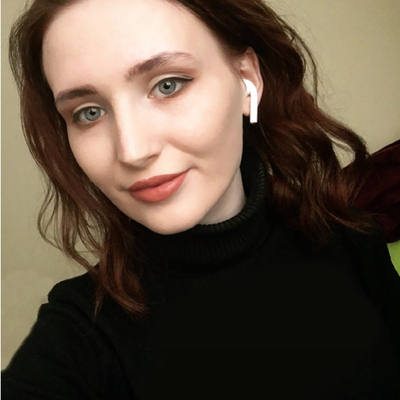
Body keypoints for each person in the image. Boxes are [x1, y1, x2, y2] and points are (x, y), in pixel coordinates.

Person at [3, 0, 400, 398]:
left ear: (246, 81)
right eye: (89, 112)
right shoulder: (81, 336)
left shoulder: (349, 236)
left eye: (168, 85)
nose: (132, 151)